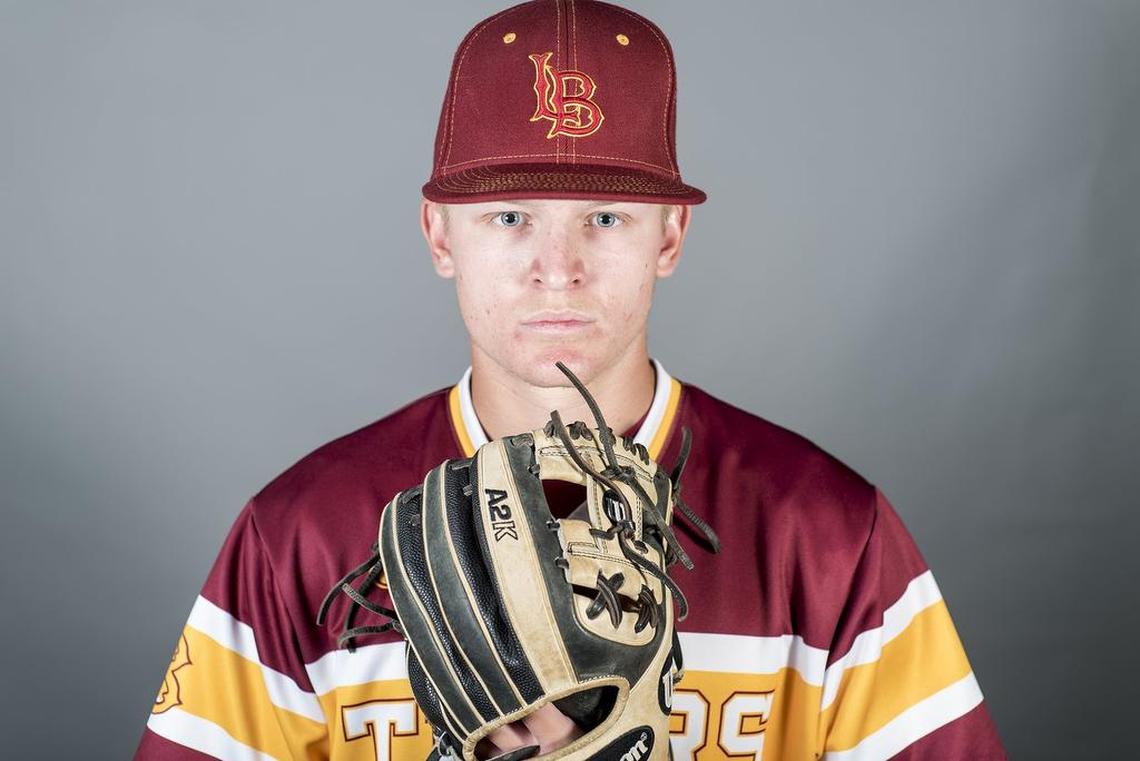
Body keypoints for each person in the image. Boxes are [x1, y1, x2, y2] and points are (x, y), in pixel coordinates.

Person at [134, 1, 1007, 759]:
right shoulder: (298, 537)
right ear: (440, 236)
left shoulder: (829, 535)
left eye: (605, 216)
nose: (559, 267)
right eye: (509, 217)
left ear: (669, 237)